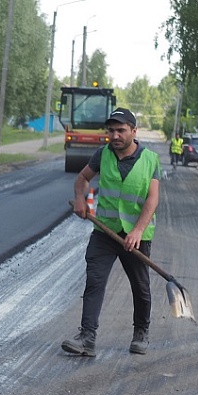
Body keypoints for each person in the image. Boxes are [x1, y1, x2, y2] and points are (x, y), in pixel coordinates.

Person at [62, 107, 161, 357]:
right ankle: (87, 338)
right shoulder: (102, 154)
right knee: (94, 282)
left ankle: (141, 332)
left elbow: (152, 199)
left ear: (133, 131)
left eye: (121, 130)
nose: (115, 135)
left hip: (136, 237)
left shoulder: (150, 159)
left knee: (140, 286)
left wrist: (138, 230)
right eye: (111, 131)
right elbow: (82, 179)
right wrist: (80, 199)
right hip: (104, 233)